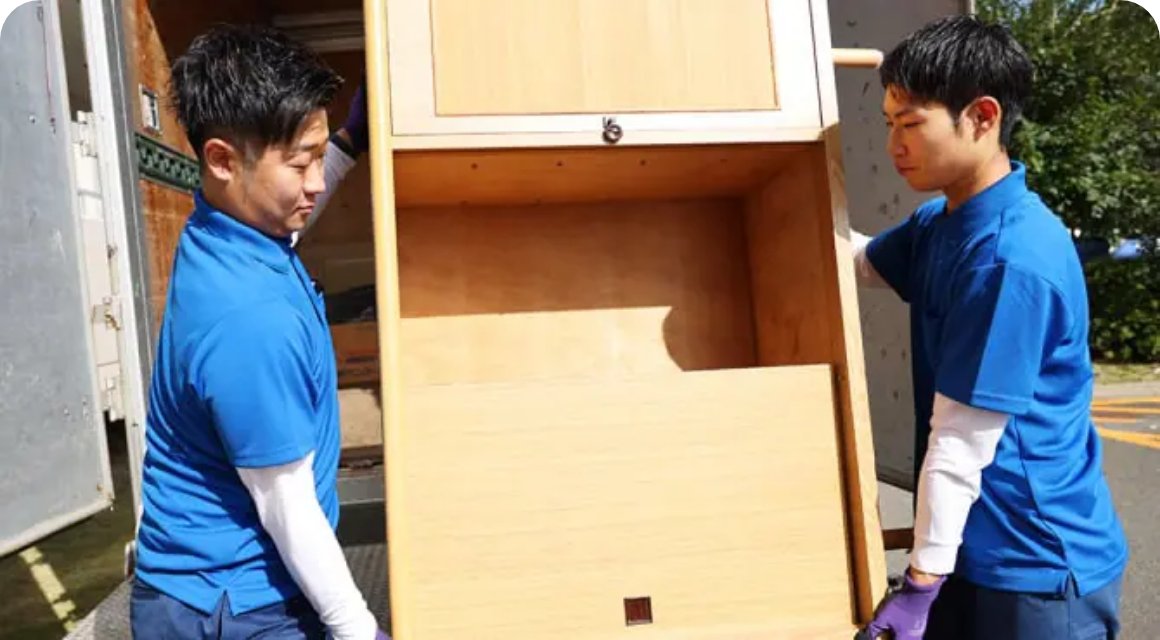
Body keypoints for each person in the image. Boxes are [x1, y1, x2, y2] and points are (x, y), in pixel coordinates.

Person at [851, 15, 1129, 640]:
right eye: (889, 124)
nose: (894, 145)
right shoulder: (940, 222)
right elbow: (861, 262)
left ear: (982, 116)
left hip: (1036, 565)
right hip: (969, 549)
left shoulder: (1011, 258)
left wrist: (918, 586)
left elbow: (961, 439)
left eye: (910, 124)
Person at [130, 24, 388, 640]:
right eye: (300, 163)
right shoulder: (248, 320)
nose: (316, 182)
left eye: (319, 156)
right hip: (230, 606)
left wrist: (349, 143)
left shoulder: (230, 228)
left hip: (209, 587)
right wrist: (357, 628)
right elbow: (285, 504)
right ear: (222, 159)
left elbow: (290, 222)